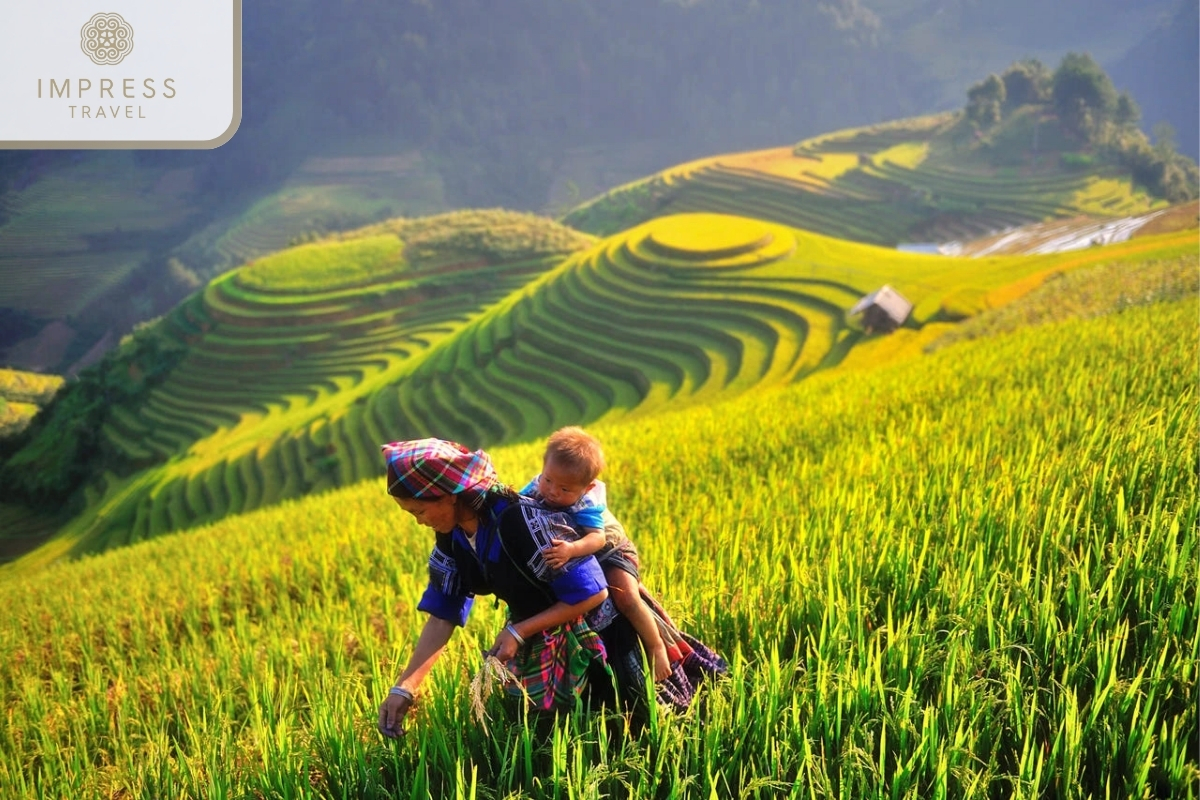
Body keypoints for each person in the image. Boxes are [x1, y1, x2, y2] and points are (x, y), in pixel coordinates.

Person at [375, 438, 726, 739]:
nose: (419, 521)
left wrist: (519, 629)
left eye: (419, 510)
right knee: (565, 732)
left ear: (449, 496)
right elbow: (442, 614)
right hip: (545, 632)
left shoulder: (521, 521)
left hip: (602, 632)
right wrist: (405, 687)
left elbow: (593, 593)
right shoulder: (451, 540)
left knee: (646, 722)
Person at [521, 426, 672, 681]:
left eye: (565, 489)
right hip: (585, 557)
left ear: (586, 487)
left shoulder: (586, 502)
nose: (553, 491)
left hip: (611, 551)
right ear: (544, 468)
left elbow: (597, 538)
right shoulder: (541, 483)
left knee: (625, 597)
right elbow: (520, 504)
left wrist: (570, 550)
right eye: (548, 480)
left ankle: (656, 646)